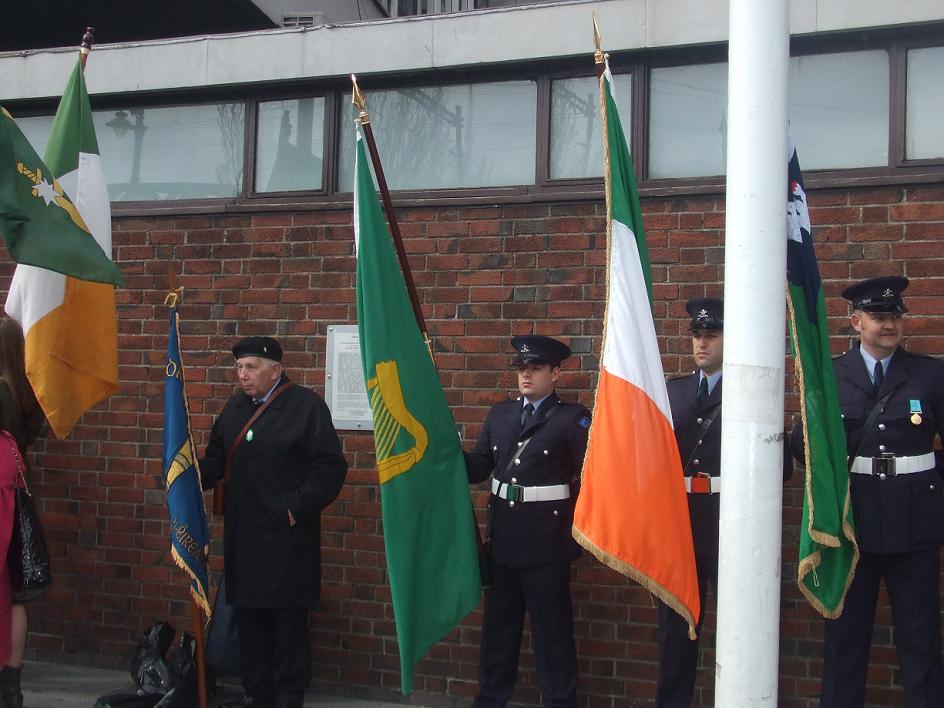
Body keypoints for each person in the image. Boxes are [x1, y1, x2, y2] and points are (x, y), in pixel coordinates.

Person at [793, 276, 944, 707]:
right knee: (845, 640)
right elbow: (806, 447)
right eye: (879, 317)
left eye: (895, 316)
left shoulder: (930, 374)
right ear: (856, 321)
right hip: (851, 526)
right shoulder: (831, 375)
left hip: (914, 525)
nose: (889, 324)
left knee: (921, 639)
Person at [656, 299, 791, 707]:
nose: (702, 344)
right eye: (697, 336)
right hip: (680, 523)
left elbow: (781, 467)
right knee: (676, 632)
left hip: (731, 521)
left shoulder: (751, 388)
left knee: (739, 629)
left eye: (711, 336)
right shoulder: (673, 392)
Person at [199, 336, 347, 708]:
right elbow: (215, 460)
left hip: (286, 536)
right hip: (245, 534)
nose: (242, 375)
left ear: (275, 369)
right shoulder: (234, 408)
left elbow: (330, 467)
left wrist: (295, 509)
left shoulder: (305, 407)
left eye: (251, 367)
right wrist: (185, 471)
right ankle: (257, 690)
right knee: (250, 618)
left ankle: (288, 693)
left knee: (287, 621)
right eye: (239, 367)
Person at [464, 335, 591, 708]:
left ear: (555, 373)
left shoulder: (572, 419)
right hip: (504, 540)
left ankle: (560, 702)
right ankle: (491, 699)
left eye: (535, 368)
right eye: (522, 368)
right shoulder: (500, 415)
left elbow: (592, 479)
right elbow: (479, 468)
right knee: (498, 633)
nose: (526, 375)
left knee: (552, 635)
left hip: (547, 546)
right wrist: (446, 450)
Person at [0, 316, 44, 708]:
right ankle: (12, 686)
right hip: (17, 495)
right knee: (15, 595)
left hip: (2, 497)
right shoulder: (25, 390)